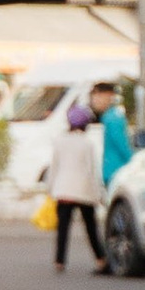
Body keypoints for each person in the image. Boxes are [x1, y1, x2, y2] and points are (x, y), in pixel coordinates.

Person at [49, 95, 104, 268]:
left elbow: (54, 167)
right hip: (83, 189)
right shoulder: (87, 144)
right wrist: (99, 193)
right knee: (90, 227)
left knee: (63, 228)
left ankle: (59, 260)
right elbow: (92, 171)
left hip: (63, 189)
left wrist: (51, 188)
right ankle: (100, 258)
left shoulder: (59, 141)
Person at [96, 82, 132, 191]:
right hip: (112, 171)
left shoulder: (113, 118)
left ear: (109, 95)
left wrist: (132, 162)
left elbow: (122, 145)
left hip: (116, 171)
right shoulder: (109, 116)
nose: (95, 101)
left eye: (98, 96)